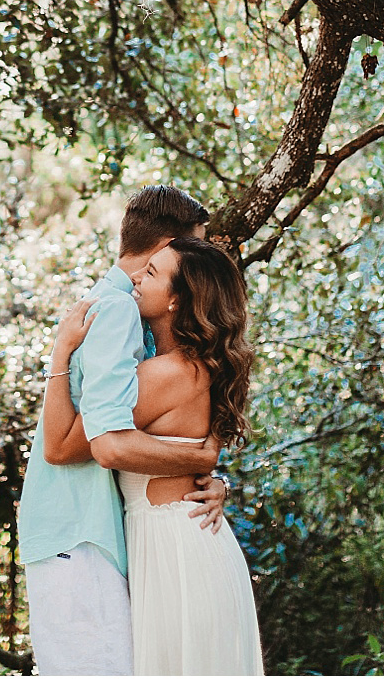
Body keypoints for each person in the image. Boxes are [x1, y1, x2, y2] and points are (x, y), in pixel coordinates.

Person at [16, 186, 230, 676]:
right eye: (189, 249)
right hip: (80, 530)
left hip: (85, 528)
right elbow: (73, 445)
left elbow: (152, 420)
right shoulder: (117, 311)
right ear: (164, 250)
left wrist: (212, 478)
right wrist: (199, 460)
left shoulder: (118, 307)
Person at [44, 237, 263, 675]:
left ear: (176, 300)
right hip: (185, 542)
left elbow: (61, 447)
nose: (137, 277)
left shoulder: (163, 373)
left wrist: (60, 352)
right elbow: (197, 452)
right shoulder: (196, 366)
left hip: (175, 554)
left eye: (153, 273)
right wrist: (206, 466)